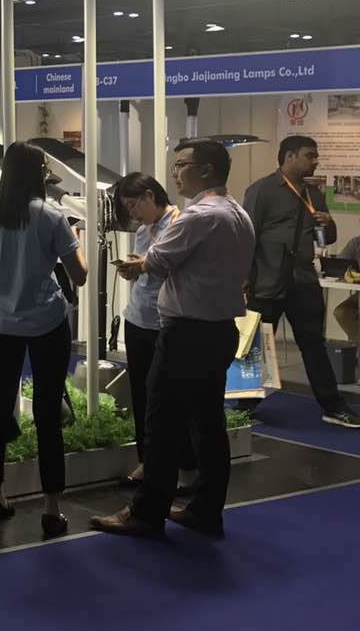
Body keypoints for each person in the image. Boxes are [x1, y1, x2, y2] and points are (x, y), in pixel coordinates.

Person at [93, 140, 256, 538]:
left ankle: (147, 512)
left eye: (181, 164)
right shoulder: (238, 214)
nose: (175, 173)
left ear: (206, 169)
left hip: (187, 333)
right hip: (218, 331)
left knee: (162, 422)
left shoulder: (198, 216)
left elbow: (158, 261)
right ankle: (205, 509)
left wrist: (138, 266)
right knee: (208, 424)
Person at [0, 141, 87, 538]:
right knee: (49, 414)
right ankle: (52, 508)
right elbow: (80, 274)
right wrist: (74, 239)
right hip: (48, 323)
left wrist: (5, 279)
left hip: (2, 324)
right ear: (37, 173)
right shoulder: (52, 216)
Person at [243, 135, 360, 428]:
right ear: (290, 156)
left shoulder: (313, 193)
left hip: (304, 280)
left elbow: (327, 238)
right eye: (310, 155)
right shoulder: (261, 190)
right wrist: (243, 280)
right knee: (257, 347)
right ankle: (245, 406)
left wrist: (329, 224)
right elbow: (247, 238)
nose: (315, 161)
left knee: (313, 345)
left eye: (316, 156)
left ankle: (333, 406)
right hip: (267, 281)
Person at [112, 172, 197, 490]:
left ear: (150, 196)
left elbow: (182, 270)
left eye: (133, 205)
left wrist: (146, 264)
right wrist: (132, 270)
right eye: (127, 208)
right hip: (137, 319)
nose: (132, 213)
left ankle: (184, 467)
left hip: (167, 322)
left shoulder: (180, 224)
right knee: (142, 396)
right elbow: (144, 274)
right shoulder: (142, 231)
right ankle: (147, 461)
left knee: (172, 399)